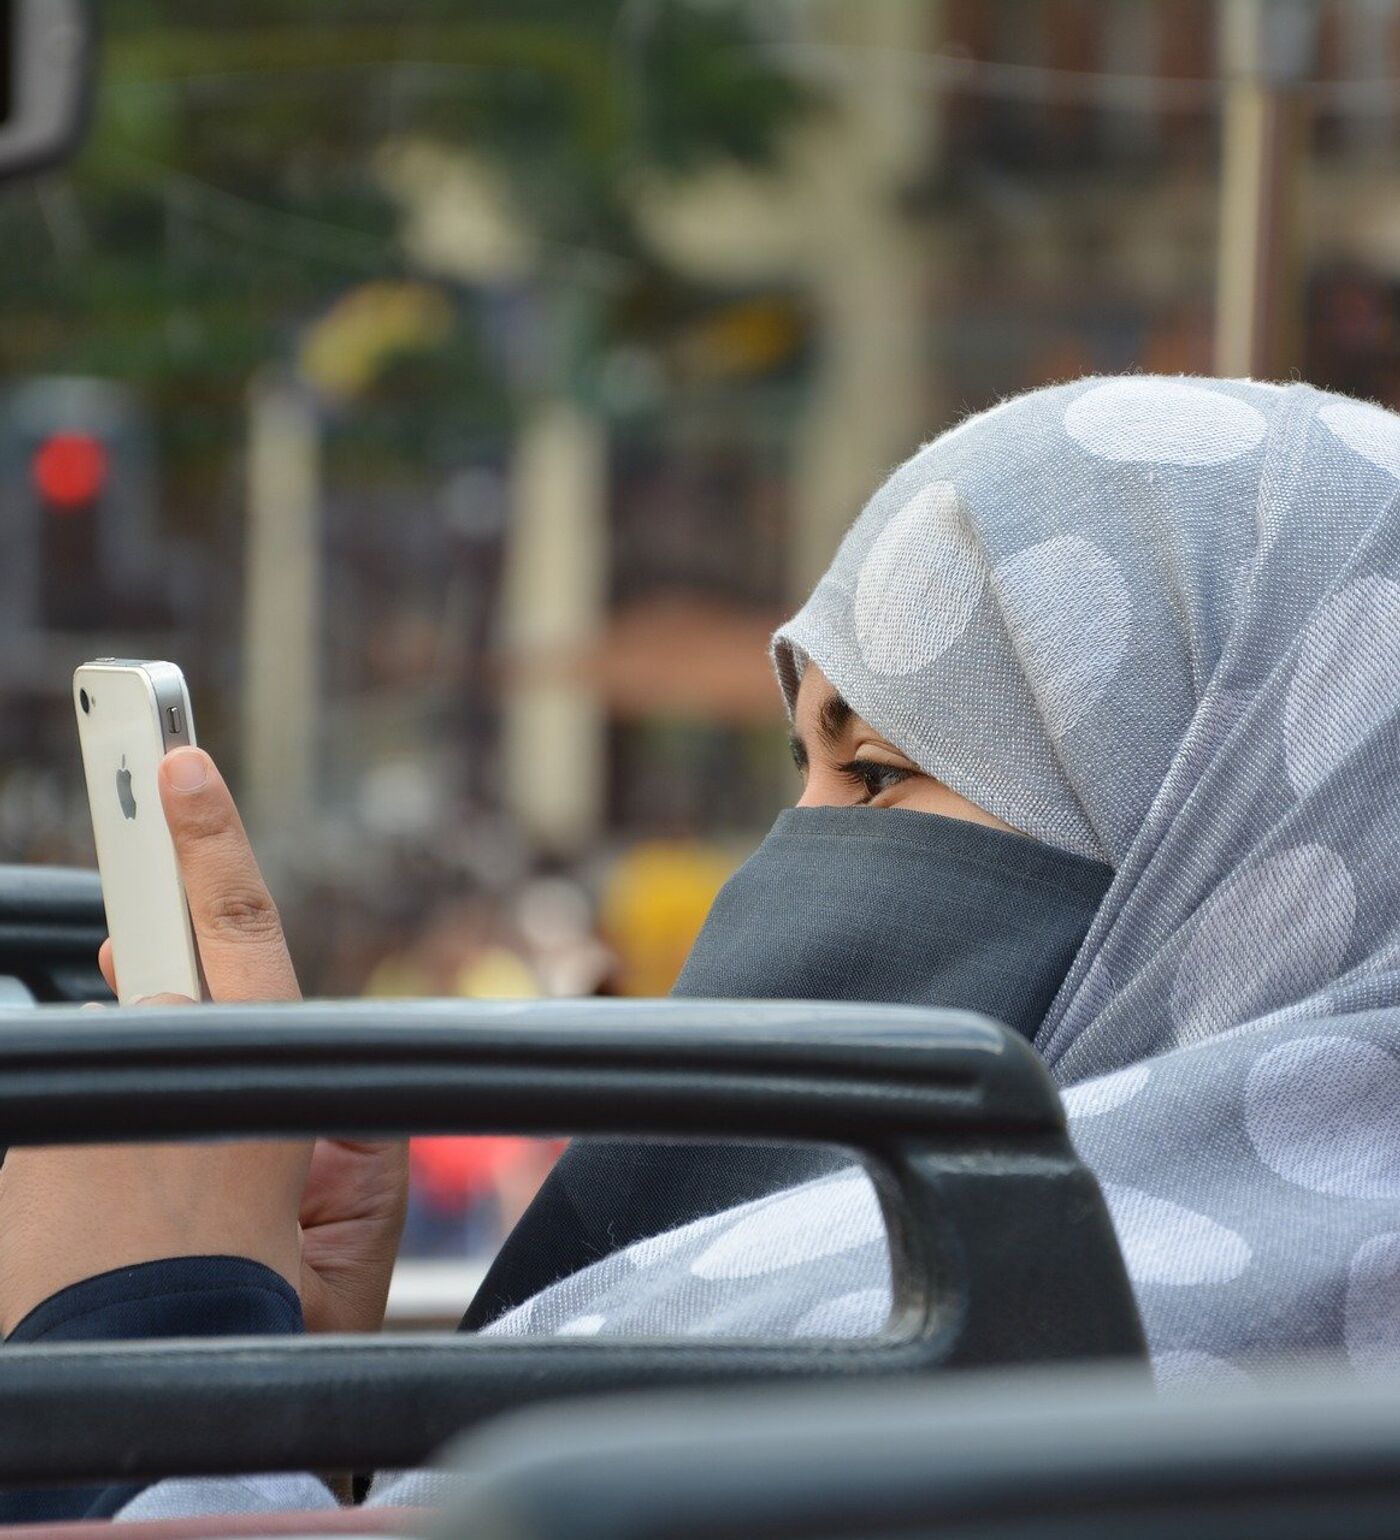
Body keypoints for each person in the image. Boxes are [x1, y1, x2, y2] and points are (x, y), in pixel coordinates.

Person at [9, 373, 1400, 1521]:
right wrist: (299, 1414)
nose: (786, 870)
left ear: (1222, 831)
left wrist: (129, 1345)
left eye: (877, 776)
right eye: (794, 773)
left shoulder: (927, 1387)